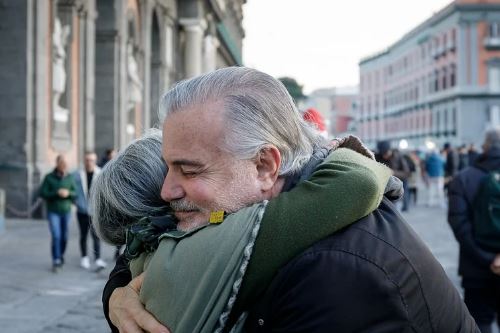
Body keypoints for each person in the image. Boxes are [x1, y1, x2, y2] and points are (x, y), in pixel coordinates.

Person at [102, 67, 478, 333]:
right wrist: (118, 298)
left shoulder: (336, 273)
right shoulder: (232, 213)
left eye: (190, 170)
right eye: (169, 167)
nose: (167, 191)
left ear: (266, 166)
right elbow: (151, 244)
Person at [91, 129, 391, 333]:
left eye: (189, 170)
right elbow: (357, 181)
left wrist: (115, 295)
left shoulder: (151, 255)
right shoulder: (221, 241)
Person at [448, 127, 500, 333]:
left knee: (479, 323)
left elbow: (459, 224)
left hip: (476, 269)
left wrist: (488, 259)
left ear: (484, 147)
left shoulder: (464, 178)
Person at [40, 154, 77, 272]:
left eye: (65, 164)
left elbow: (75, 193)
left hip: (66, 211)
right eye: (62, 163)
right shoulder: (48, 177)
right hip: (53, 211)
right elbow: (43, 193)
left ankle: (60, 255)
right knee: (56, 235)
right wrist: (56, 192)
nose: (64, 165)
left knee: (64, 237)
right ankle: (56, 259)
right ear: (57, 164)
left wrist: (69, 194)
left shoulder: (70, 177)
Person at [72, 152, 107, 270]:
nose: (89, 162)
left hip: (95, 211)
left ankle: (98, 259)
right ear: (84, 160)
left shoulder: (100, 173)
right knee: (83, 235)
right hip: (82, 210)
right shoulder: (77, 174)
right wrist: (75, 201)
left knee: (96, 235)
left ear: (95, 160)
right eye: (87, 160)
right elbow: (71, 188)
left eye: (91, 160)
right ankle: (84, 257)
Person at [375, 140, 411, 211]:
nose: (384, 156)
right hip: (387, 183)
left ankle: (405, 207)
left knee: (404, 194)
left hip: (401, 180)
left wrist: (393, 172)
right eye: (382, 154)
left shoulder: (398, 156)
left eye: (386, 153)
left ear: (390, 150)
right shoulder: (378, 156)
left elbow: (407, 173)